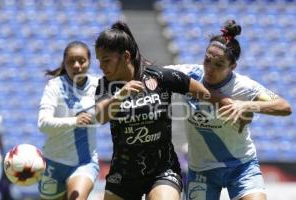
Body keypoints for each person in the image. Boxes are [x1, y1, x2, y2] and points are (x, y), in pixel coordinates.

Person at [93, 21, 230, 200]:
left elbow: (203, 93)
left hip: (162, 169)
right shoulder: (105, 85)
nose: (101, 66)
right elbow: (100, 116)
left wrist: (232, 105)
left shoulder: (159, 76)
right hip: (123, 173)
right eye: (99, 60)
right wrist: (120, 95)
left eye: (106, 60)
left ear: (126, 56)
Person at [165, 20, 292, 200]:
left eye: (219, 64)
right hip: (202, 170)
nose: (210, 68)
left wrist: (247, 105)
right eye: (207, 60)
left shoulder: (244, 86)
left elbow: (284, 107)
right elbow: (156, 72)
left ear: (232, 67)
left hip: (241, 166)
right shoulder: (190, 75)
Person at [38, 41, 100, 200]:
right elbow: (43, 124)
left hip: (84, 163)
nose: (77, 65)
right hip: (53, 163)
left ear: (90, 61)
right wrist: (74, 121)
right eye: (71, 61)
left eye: (82, 60)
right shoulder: (54, 86)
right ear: (64, 63)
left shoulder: (98, 85)